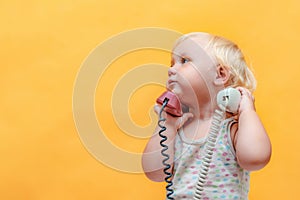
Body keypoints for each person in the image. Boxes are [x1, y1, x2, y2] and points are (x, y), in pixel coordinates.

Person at [142, 32, 272, 199]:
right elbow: (154, 173)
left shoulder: (230, 128)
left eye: (184, 61)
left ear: (220, 75)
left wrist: (247, 111)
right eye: (172, 63)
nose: (171, 69)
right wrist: (167, 126)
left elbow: (256, 158)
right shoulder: (177, 130)